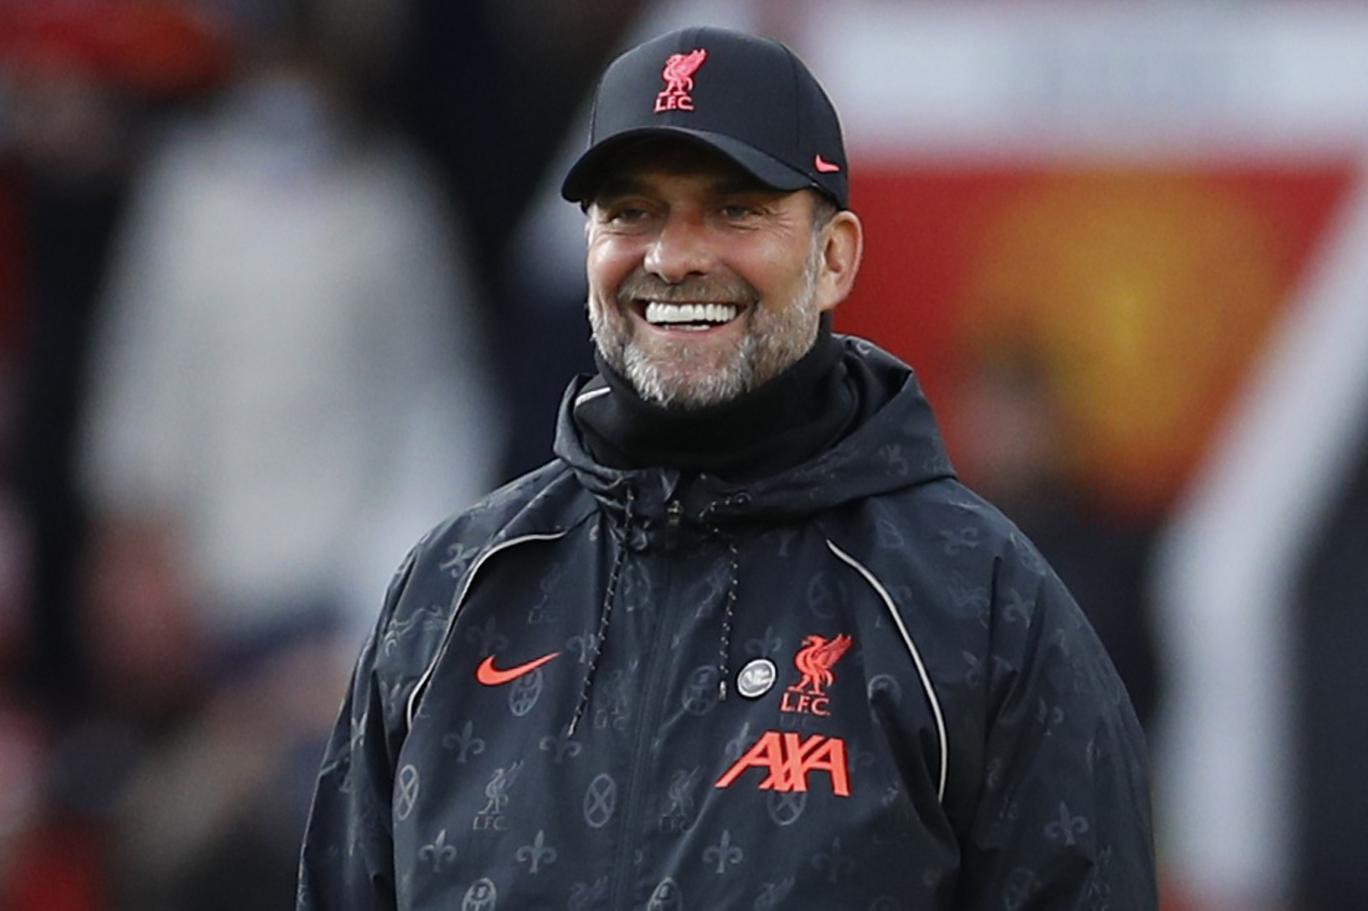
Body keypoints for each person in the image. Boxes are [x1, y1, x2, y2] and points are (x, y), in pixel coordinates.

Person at [297, 26, 1155, 910]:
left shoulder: (979, 604)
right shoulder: (451, 592)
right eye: (631, 212)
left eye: (736, 210)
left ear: (833, 258)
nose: (674, 257)